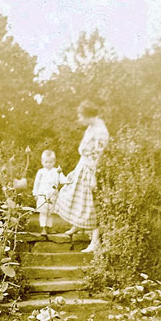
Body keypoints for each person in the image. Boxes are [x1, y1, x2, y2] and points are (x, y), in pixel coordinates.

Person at [54, 100, 109, 252]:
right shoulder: (91, 127)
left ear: (88, 116)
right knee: (72, 193)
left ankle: (95, 242)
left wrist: (93, 176)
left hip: (91, 170)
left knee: (91, 205)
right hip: (83, 166)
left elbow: (98, 156)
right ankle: (77, 225)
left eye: (81, 116)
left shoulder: (100, 132)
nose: (79, 119)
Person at [32, 150, 65, 235]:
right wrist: (35, 193)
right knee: (43, 212)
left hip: (53, 195)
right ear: (42, 162)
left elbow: (62, 180)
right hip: (42, 195)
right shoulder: (41, 172)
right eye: (46, 162)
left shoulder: (56, 171)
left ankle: (49, 227)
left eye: (50, 162)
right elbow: (37, 183)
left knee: (50, 212)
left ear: (54, 162)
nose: (48, 164)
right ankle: (43, 228)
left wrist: (66, 179)